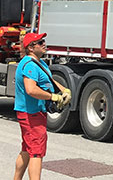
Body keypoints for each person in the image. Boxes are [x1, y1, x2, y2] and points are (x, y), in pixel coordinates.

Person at [13, 32, 71, 180]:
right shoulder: (29, 65)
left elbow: (49, 80)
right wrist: (53, 96)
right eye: (40, 42)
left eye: (43, 41)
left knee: (27, 149)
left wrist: (64, 90)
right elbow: (31, 89)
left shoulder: (39, 63)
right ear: (31, 48)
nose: (44, 44)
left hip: (35, 113)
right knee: (36, 152)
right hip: (31, 114)